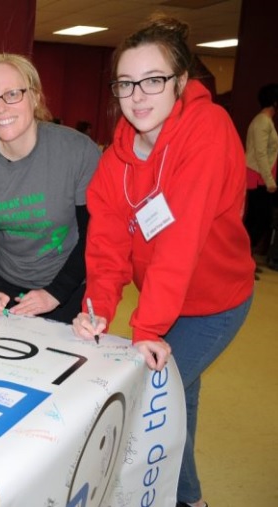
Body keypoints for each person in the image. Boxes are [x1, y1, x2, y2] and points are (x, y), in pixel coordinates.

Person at [71, 16, 254, 507]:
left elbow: (181, 241)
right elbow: (107, 248)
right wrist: (98, 308)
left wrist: (145, 328)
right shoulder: (115, 162)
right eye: (126, 83)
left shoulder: (207, 130)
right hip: (166, 304)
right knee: (178, 404)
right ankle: (189, 500)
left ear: (181, 83)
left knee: (148, 398)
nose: (138, 94)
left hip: (215, 302)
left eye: (153, 79)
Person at [0, 53, 101, 323]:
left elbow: (94, 236)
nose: (0, 108)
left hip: (67, 286)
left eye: (12, 94)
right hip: (3, 284)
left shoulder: (78, 151)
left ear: (35, 96)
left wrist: (54, 293)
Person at [243, 83, 278, 258]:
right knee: (259, 220)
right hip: (258, 178)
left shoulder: (265, 121)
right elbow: (260, 153)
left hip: (261, 177)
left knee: (257, 219)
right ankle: (242, 258)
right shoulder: (262, 121)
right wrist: (270, 181)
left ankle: (244, 259)